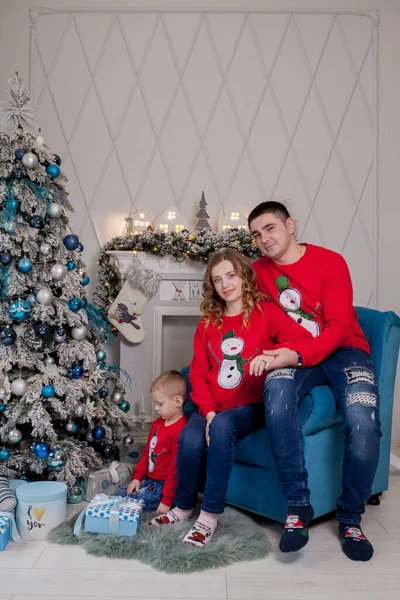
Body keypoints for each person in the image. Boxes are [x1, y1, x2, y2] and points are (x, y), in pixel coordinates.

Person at [149, 248, 312, 546]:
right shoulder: (208, 322)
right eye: (218, 279)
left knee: (223, 426)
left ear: (244, 276)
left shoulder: (267, 313)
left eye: (231, 276)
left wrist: (273, 358)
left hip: (251, 408)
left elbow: (299, 344)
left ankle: (209, 516)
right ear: (213, 286)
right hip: (213, 408)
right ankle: (183, 507)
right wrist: (208, 414)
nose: (226, 284)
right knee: (189, 436)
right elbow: (197, 373)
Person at [247, 200, 381, 562]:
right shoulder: (257, 271)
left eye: (270, 228)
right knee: (275, 395)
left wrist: (297, 355)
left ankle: (351, 518)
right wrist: (271, 354)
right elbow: (251, 320)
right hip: (292, 354)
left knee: (363, 422)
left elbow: (338, 327)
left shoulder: (330, 262)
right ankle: (297, 506)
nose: (264, 239)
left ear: (290, 225)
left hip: (346, 350)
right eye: (257, 234)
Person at [121, 370, 187, 514]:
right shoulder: (158, 423)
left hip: (164, 486)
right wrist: (137, 478)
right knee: (121, 494)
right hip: (149, 480)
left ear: (177, 402)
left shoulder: (181, 429)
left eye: (160, 404)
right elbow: (147, 453)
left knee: (127, 504)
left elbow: (176, 469)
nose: (156, 408)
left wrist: (166, 501)